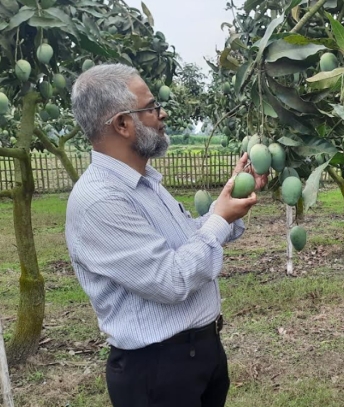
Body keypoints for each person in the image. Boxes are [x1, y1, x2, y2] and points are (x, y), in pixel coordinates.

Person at [65, 63, 267, 407]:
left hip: (197, 356)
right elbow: (170, 278)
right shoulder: (100, 200)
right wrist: (219, 219)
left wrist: (227, 209)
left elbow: (187, 240)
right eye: (151, 107)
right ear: (123, 124)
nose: (163, 113)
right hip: (157, 374)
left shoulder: (144, 183)